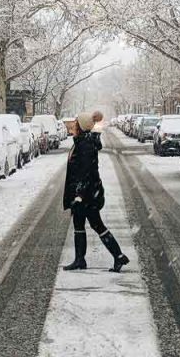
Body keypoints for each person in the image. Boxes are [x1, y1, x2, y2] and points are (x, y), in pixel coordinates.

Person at [63, 112, 129, 273]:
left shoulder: (85, 144)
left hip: (87, 195)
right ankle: (80, 259)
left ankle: (118, 256)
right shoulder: (82, 141)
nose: (73, 126)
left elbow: (86, 172)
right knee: (79, 224)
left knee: (97, 225)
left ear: (81, 126)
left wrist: (79, 195)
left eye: (76, 123)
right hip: (86, 192)